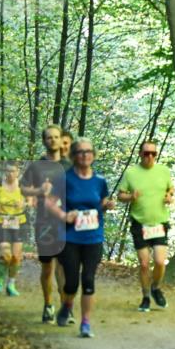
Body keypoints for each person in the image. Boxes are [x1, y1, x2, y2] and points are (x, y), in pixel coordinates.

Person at [45, 138, 114, 338]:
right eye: (80, 152)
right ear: (74, 155)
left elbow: (100, 202)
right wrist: (64, 216)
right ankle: (67, 305)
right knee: (72, 282)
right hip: (70, 237)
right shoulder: (65, 178)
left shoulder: (100, 180)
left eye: (88, 151)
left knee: (89, 280)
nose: (85, 155)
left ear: (93, 154)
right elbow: (50, 203)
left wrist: (107, 205)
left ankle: (85, 323)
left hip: (93, 237)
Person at [21, 123, 71, 323]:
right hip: (44, 223)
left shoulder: (70, 166)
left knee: (64, 267)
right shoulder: (36, 166)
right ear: (44, 141)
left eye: (56, 137)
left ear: (61, 140)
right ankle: (48, 305)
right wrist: (39, 192)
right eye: (49, 137)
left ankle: (65, 306)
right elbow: (23, 189)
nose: (52, 140)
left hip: (66, 222)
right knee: (48, 267)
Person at [118, 140, 174, 312]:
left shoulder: (163, 171)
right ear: (140, 154)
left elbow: (170, 190)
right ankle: (145, 297)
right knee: (143, 264)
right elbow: (120, 195)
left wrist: (169, 196)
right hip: (139, 223)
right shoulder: (131, 173)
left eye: (153, 154)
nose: (150, 157)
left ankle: (155, 287)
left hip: (159, 223)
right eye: (146, 153)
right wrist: (131, 197)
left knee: (159, 261)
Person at [0, 162, 27, 297]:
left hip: (19, 222)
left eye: (13, 171)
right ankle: (0, 277)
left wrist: (24, 203)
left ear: (18, 172)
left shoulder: (23, 185)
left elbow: (32, 201)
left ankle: (11, 284)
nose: (10, 174)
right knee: (6, 256)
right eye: (8, 171)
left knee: (16, 257)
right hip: (1, 222)